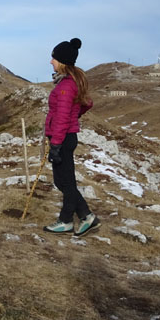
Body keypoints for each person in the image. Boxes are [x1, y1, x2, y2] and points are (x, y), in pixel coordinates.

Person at [42, 37, 100, 236]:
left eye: (54, 58)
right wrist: (75, 116)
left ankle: (68, 220)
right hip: (66, 137)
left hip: (63, 139)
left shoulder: (66, 85)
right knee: (63, 181)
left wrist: (56, 144)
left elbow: (62, 117)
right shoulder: (70, 82)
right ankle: (85, 215)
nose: (51, 61)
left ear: (62, 61)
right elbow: (86, 103)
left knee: (66, 181)